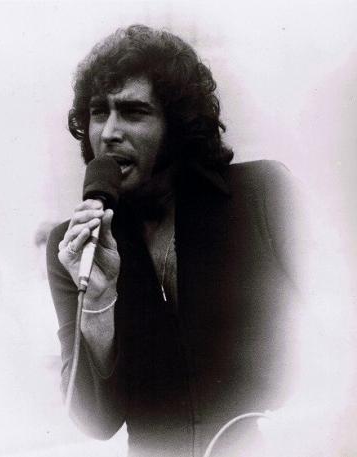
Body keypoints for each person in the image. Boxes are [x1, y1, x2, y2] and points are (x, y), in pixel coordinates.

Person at [46, 25, 351, 457]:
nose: (109, 131)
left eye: (133, 112)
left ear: (177, 125)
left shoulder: (261, 196)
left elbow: (342, 335)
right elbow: (95, 423)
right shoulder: (73, 246)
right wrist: (97, 306)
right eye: (99, 112)